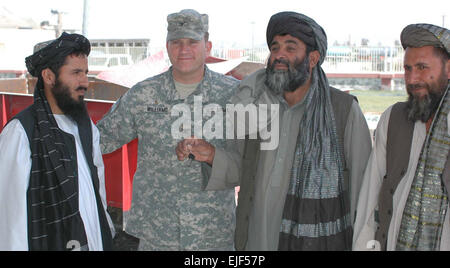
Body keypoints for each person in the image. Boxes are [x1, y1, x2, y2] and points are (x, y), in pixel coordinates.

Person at [177, 11, 372, 250]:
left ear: (312, 58)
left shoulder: (342, 111)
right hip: (255, 242)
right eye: (275, 47)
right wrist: (211, 156)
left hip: (315, 242)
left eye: (291, 48)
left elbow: (363, 192)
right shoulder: (256, 108)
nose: (279, 55)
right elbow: (243, 169)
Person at [96, 9, 238, 251]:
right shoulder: (143, 94)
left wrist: (214, 155)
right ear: (167, 46)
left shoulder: (234, 95)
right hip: (155, 234)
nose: (184, 50)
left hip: (212, 233)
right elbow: (98, 141)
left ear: (208, 46)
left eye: (193, 42)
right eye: (176, 42)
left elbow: (253, 162)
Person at [0, 32, 115, 251]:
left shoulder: (85, 126)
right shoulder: (21, 132)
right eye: (76, 73)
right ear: (49, 76)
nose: (84, 82)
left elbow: (98, 191)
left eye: (86, 73)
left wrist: (105, 231)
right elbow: (9, 216)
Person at [353, 24, 450, 251]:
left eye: (422, 67)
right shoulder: (394, 118)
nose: (412, 79)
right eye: (407, 69)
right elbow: (370, 202)